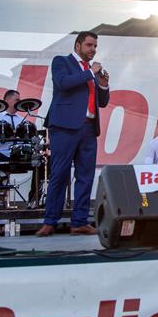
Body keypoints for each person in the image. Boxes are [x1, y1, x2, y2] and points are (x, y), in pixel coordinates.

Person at [37, 31, 111, 236]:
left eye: (95, 46)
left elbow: (102, 102)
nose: (93, 49)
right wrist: (90, 73)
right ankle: (50, 221)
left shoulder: (92, 72)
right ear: (78, 46)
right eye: (89, 45)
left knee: (85, 176)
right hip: (64, 127)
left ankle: (79, 221)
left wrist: (103, 85)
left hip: (89, 128)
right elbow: (63, 83)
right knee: (59, 174)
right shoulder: (62, 62)